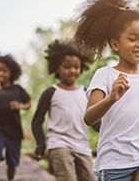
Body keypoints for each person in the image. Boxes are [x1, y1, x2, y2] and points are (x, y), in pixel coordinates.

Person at [74, 0, 139, 181]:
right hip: (115, 161)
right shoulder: (105, 75)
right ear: (116, 44)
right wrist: (111, 98)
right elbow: (89, 118)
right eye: (132, 39)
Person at [31, 40, 96, 181]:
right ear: (57, 68)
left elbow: (94, 121)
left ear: (81, 68)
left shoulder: (85, 93)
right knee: (67, 178)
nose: (72, 70)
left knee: (92, 178)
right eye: (67, 67)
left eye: (76, 67)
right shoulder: (51, 92)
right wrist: (40, 144)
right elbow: (37, 121)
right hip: (59, 144)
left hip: (82, 146)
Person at [0, 54, 31, 181]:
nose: (1, 73)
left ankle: (10, 179)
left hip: (14, 131)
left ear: (11, 72)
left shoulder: (17, 89)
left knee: (12, 162)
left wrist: (20, 106)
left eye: (4, 70)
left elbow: (28, 104)